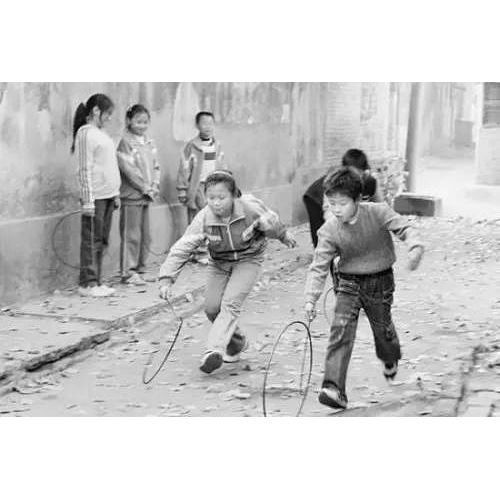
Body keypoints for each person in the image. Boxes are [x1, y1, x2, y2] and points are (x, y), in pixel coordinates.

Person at [304, 167, 424, 410]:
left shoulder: (378, 212)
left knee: (383, 329)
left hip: (380, 282)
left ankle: (390, 356)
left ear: (358, 199)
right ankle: (334, 388)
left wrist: (415, 246)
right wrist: (311, 298)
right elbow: (318, 265)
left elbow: (404, 227)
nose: (336, 209)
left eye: (342, 203)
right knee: (340, 331)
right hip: (348, 283)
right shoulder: (329, 229)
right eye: (331, 203)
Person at [159, 171, 296, 374]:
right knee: (211, 308)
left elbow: (272, 222)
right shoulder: (204, 218)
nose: (216, 203)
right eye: (211, 198)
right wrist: (166, 279)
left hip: (248, 259)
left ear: (234, 195)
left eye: (221, 197)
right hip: (219, 263)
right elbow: (183, 247)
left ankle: (214, 350)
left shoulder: (249, 208)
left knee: (230, 304)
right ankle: (237, 343)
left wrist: (283, 236)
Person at [71, 93, 121, 298]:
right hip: (95, 198)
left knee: (102, 240)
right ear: (96, 111)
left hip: (108, 196)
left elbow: (109, 164)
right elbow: (84, 168)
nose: (109, 118)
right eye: (107, 113)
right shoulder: (85, 133)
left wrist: (116, 193)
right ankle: (87, 283)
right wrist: (88, 200)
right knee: (91, 240)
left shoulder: (101, 134)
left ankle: (97, 281)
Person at [117, 104, 161, 285]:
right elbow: (129, 170)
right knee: (131, 235)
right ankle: (128, 272)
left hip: (147, 196)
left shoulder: (149, 142)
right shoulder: (125, 143)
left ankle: (141, 269)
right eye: (138, 121)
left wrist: (155, 185)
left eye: (145, 122)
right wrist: (145, 187)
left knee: (145, 235)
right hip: (132, 196)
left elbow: (156, 166)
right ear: (129, 121)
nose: (142, 125)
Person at [303, 149, 381, 248]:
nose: (353, 178)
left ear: (364, 172)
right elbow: (331, 216)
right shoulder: (335, 184)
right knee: (322, 240)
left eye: (357, 175)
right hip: (315, 197)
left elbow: (379, 208)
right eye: (350, 173)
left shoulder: (370, 181)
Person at [176, 111, 225, 264]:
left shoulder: (217, 146)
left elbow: (222, 166)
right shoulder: (192, 146)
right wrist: (182, 189)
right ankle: (198, 251)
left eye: (210, 123)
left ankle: (209, 249)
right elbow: (184, 168)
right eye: (204, 123)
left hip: (213, 187)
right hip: (197, 187)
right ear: (197, 125)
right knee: (198, 219)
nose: (208, 127)